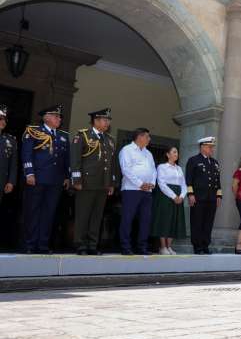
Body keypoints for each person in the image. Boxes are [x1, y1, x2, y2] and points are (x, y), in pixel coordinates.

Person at [21, 105, 68, 254]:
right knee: (33, 211)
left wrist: (67, 176)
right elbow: (27, 154)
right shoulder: (33, 132)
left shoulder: (63, 136)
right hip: (37, 178)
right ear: (45, 117)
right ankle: (30, 244)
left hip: (55, 180)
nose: (59, 119)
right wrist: (29, 173)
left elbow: (65, 159)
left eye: (60, 117)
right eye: (56, 116)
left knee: (49, 213)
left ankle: (43, 244)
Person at [70, 108, 116, 256]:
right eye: (104, 120)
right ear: (95, 121)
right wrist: (76, 179)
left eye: (108, 120)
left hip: (102, 184)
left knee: (97, 216)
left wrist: (111, 183)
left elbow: (111, 164)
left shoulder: (109, 140)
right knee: (83, 214)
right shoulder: (82, 135)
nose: (107, 122)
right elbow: (75, 159)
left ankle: (92, 244)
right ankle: (80, 244)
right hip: (86, 182)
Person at [118, 128, 157, 255]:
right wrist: (141, 184)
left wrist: (152, 183)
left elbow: (153, 170)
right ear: (139, 137)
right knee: (127, 219)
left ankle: (142, 247)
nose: (149, 139)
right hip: (131, 190)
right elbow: (126, 170)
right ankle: (125, 247)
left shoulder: (148, 153)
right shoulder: (127, 150)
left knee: (145, 219)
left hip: (147, 191)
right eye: (147, 136)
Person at [186, 136, 222, 254]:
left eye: (212, 147)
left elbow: (217, 181)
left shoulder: (215, 162)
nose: (212, 149)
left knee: (208, 223)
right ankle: (197, 246)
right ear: (202, 147)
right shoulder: (193, 160)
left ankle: (205, 245)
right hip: (198, 197)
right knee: (197, 222)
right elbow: (189, 179)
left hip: (211, 198)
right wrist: (190, 194)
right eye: (209, 147)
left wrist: (219, 196)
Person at [151, 146, 187, 255]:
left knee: (174, 221)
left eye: (177, 152)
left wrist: (181, 196)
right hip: (165, 196)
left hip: (178, 197)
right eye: (174, 152)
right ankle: (162, 247)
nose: (176, 154)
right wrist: (173, 196)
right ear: (168, 154)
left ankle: (169, 246)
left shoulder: (179, 168)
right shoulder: (162, 167)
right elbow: (161, 183)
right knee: (164, 220)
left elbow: (183, 184)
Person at [0, 105, 18, 207]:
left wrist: (11, 182)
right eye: (0, 119)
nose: (3, 122)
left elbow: (13, 164)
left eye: (5, 120)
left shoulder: (10, 141)